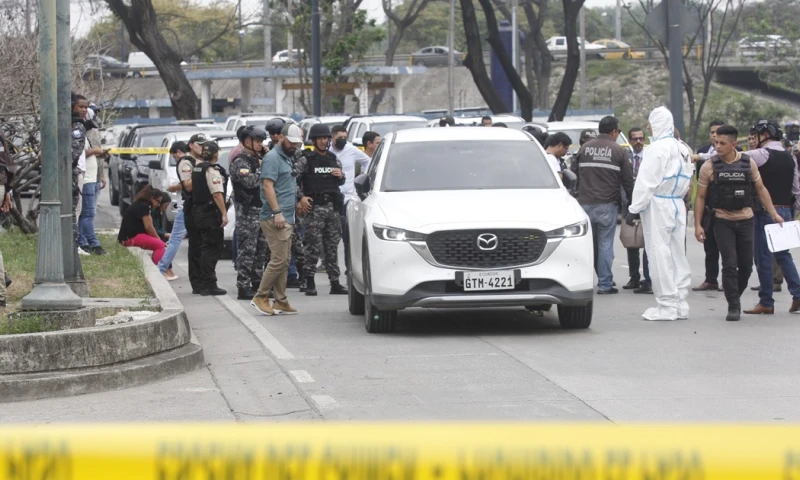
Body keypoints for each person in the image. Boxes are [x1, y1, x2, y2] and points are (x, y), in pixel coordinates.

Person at [694, 125, 784, 322]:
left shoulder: (748, 163)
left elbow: (760, 189)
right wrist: (698, 225)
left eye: (722, 143)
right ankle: (733, 304)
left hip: (746, 220)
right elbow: (700, 197)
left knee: (746, 267)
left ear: (734, 144)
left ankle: (735, 294)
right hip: (722, 221)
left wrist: (774, 214)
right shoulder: (709, 166)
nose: (717, 146)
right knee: (729, 264)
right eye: (716, 142)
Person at [627, 108, 693, 321]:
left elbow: (646, 181)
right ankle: (680, 302)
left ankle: (666, 305)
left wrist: (634, 209)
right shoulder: (683, 147)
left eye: (651, 124)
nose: (648, 128)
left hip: (658, 204)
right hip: (677, 204)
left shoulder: (656, 149)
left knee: (659, 253)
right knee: (677, 254)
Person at [742, 119, 800, 315]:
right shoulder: (790, 157)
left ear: (764, 135)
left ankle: (766, 300)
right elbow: (796, 189)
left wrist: (699, 156)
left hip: (766, 211)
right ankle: (798, 294)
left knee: (763, 256)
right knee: (783, 255)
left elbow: (731, 157)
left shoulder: (760, 154)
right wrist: (792, 214)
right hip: (785, 210)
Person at [571, 115, 634, 294]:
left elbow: (574, 174)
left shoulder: (585, 148)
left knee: (587, 245)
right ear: (614, 132)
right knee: (605, 245)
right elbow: (628, 182)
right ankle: (605, 284)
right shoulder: (619, 151)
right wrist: (632, 206)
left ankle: (581, 283)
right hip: (607, 204)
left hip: (584, 204)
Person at [251, 123, 305, 316]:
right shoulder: (273, 158)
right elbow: (267, 186)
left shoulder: (286, 156)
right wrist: (277, 212)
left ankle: (280, 301)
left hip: (286, 216)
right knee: (279, 260)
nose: (295, 147)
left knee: (284, 260)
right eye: (292, 142)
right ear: (281, 138)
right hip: (275, 217)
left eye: (298, 144)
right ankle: (261, 296)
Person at [296, 123, 348, 296]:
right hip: (314, 208)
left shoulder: (334, 159)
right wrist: (301, 197)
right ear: (314, 140)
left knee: (332, 246)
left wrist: (341, 176)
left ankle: (335, 282)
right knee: (312, 246)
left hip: (332, 208)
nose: (323, 141)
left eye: (325, 138)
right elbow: (292, 180)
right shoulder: (306, 160)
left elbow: (341, 181)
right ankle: (309, 281)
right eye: (320, 138)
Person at [230, 126, 270, 300]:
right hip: (248, 212)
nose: (261, 145)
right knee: (247, 249)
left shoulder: (258, 159)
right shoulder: (241, 161)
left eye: (262, 141)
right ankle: (243, 285)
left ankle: (257, 282)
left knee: (261, 250)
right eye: (258, 141)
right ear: (247, 142)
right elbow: (250, 182)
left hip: (261, 209)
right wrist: (263, 169)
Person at [691, 120, 726, 292]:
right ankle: (710, 279)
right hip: (708, 205)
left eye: (718, 132)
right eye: (712, 132)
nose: (714, 135)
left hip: (726, 205)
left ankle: (728, 279)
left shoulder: (735, 152)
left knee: (727, 248)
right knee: (709, 246)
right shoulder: (702, 151)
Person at [331, 124, 371, 277]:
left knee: (348, 237)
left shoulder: (351, 149)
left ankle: (350, 268)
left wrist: (363, 174)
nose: (342, 141)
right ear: (332, 137)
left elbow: (367, 162)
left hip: (348, 199)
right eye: (339, 138)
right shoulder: (326, 151)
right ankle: (331, 269)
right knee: (330, 238)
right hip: (332, 197)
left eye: (344, 138)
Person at [190, 141, 229, 296]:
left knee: (202, 247)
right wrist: (224, 213)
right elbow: (217, 194)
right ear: (216, 155)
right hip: (209, 214)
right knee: (212, 248)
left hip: (197, 212)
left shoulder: (197, 168)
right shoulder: (211, 170)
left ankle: (201, 282)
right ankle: (209, 284)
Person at [177, 133, 208, 294]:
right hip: (191, 206)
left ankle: (204, 279)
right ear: (191, 145)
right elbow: (188, 186)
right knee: (196, 246)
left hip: (203, 208)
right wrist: (202, 173)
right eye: (199, 144)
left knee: (204, 246)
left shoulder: (202, 162)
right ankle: (197, 282)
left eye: (204, 144)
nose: (202, 147)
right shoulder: (186, 162)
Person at [624, 127, 652, 294]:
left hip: (647, 203)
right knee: (631, 242)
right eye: (635, 139)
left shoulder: (649, 156)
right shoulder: (625, 156)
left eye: (641, 138)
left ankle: (648, 279)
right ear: (630, 141)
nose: (639, 142)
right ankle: (634, 277)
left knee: (648, 241)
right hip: (630, 201)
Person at [77, 104, 109, 256]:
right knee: (87, 214)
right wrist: (95, 151)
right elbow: (79, 152)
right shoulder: (79, 133)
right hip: (86, 178)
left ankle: (83, 242)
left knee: (87, 213)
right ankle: (92, 243)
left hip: (91, 176)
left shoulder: (90, 133)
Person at [157, 141, 190, 281]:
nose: (175, 159)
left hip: (185, 205)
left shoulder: (184, 163)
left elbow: (187, 184)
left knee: (175, 239)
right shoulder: (193, 161)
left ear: (178, 152)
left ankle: (160, 269)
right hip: (193, 206)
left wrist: (172, 187)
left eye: (174, 157)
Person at [117, 186, 167, 265]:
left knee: (159, 243)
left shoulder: (139, 204)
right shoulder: (144, 207)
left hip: (129, 237)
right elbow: (149, 227)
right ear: (152, 198)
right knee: (160, 245)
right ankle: (158, 269)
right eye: (158, 201)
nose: (158, 205)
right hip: (130, 238)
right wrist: (158, 239)